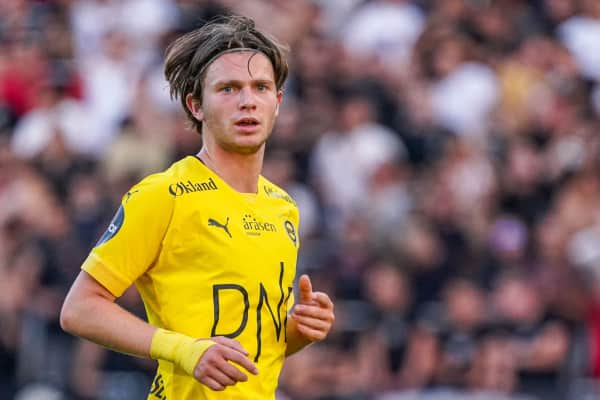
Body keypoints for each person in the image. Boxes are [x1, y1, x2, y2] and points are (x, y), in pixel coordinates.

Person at [60, 15, 335, 400]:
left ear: (277, 102)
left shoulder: (283, 207)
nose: (247, 101)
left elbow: (254, 348)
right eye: (228, 88)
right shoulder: (164, 194)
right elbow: (79, 309)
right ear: (196, 105)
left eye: (260, 87)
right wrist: (184, 350)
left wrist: (299, 330)